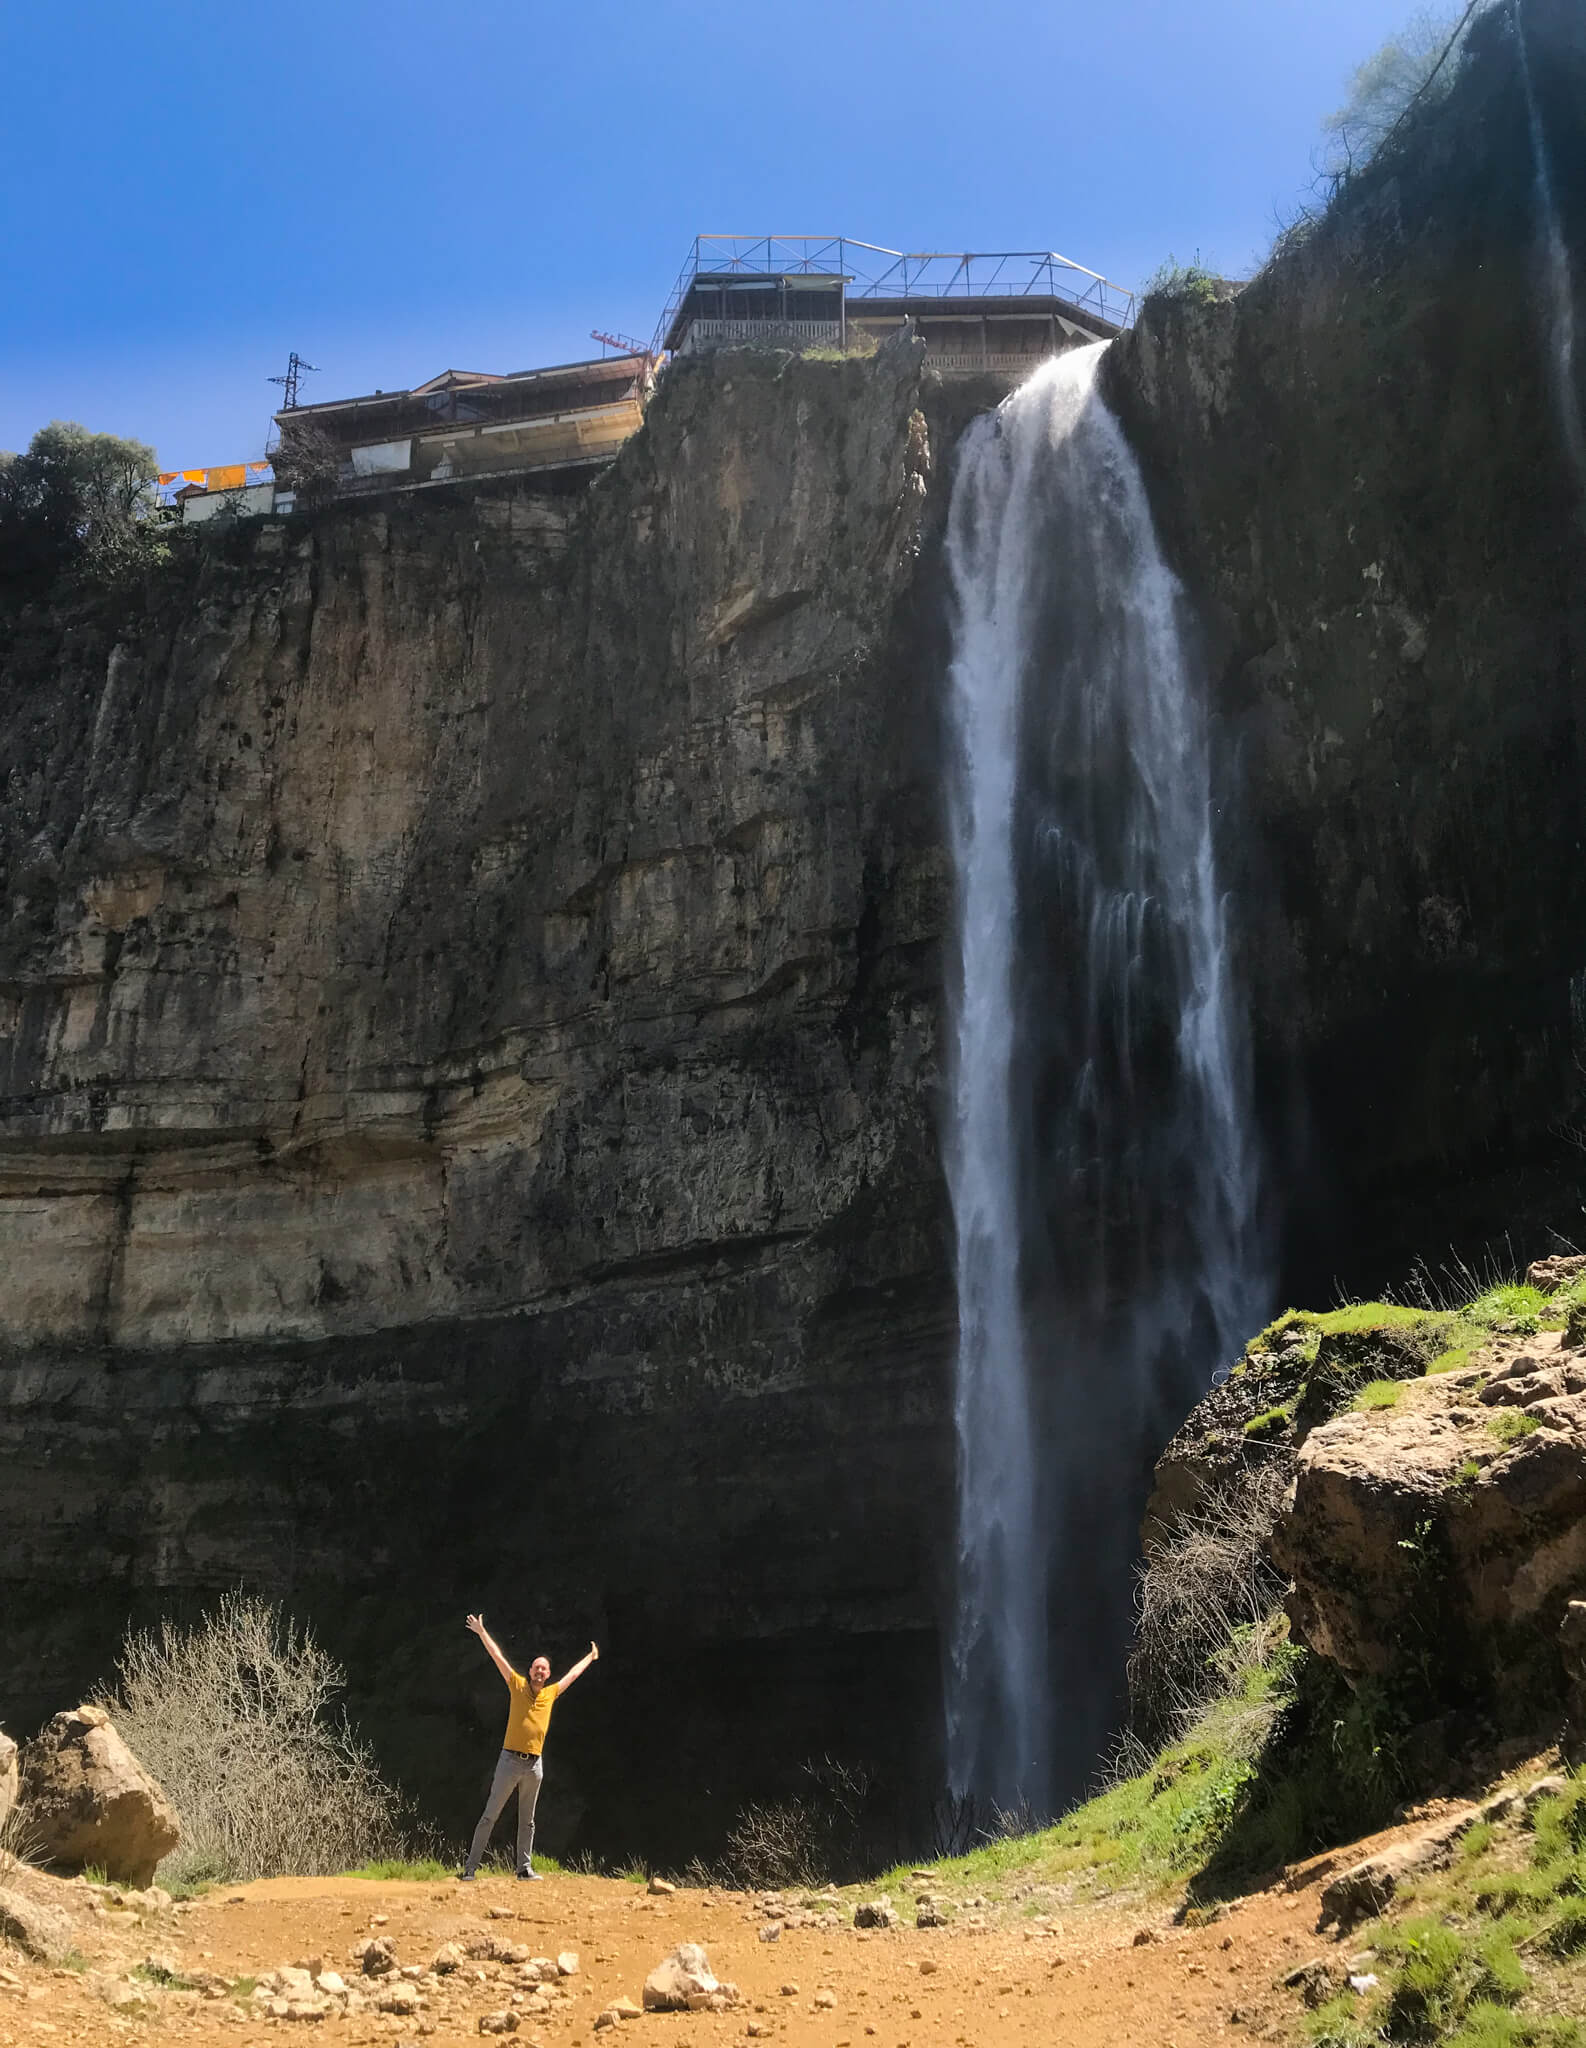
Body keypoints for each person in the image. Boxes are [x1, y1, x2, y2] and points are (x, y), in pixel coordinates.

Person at [460, 1615, 598, 1881]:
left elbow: (573, 1674)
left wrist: (590, 1658)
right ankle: (470, 1869)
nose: (540, 1672)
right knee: (490, 1815)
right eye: (536, 1667)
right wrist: (481, 1632)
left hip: (535, 1764)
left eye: (544, 1669)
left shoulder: (551, 1693)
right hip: (509, 1761)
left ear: (547, 1675)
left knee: (528, 1820)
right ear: (530, 1671)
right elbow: (497, 1656)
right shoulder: (517, 1685)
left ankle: (523, 1869)